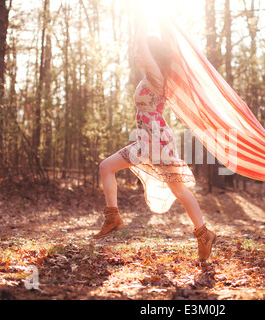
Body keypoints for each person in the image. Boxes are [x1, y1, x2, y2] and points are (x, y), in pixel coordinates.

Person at [93, 17, 216, 262]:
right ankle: (113, 217)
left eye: (144, 52)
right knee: (108, 168)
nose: (138, 55)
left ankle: (203, 234)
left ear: (152, 55)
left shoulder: (157, 77)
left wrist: (141, 17)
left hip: (156, 142)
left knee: (176, 188)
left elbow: (140, 48)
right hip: (148, 142)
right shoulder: (150, 77)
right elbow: (141, 51)